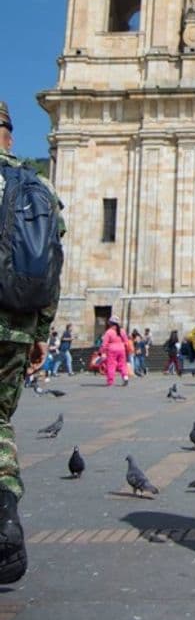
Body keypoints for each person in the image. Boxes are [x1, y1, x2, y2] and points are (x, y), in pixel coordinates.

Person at [0, 101, 64, 583]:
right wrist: (42, 334)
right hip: (17, 327)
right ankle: (3, 504)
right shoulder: (36, 186)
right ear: (9, 134)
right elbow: (51, 261)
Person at [100, 317, 129, 386]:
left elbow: (104, 344)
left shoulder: (109, 332)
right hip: (122, 349)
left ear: (110, 323)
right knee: (122, 364)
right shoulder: (122, 331)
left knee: (111, 365)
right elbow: (126, 341)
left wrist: (102, 351)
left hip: (112, 349)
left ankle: (110, 381)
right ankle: (125, 377)